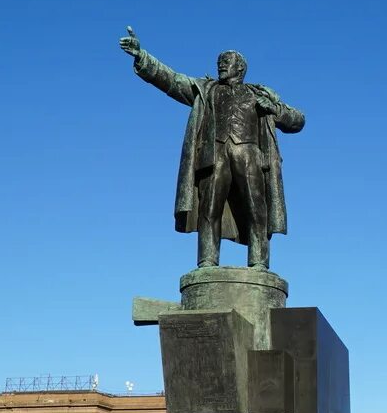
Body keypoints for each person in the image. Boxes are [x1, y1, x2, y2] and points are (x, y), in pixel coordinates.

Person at [119, 27, 305, 270]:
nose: (221, 65)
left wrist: (273, 108)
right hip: (213, 155)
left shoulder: (258, 93)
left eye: (226, 62)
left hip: (249, 154)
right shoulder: (206, 90)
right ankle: (207, 261)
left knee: (257, 209)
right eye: (219, 62)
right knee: (209, 207)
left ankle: (259, 263)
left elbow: (298, 120)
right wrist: (142, 56)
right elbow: (171, 80)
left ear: (240, 68)